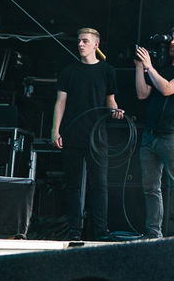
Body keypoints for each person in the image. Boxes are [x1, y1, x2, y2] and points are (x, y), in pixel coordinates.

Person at [52, 27, 124, 241]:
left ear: (95, 45)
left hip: (97, 135)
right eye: (79, 41)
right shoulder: (69, 71)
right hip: (72, 133)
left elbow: (110, 101)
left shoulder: (107, 71)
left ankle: (100, 230)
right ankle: (75, 230)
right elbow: (60, 102)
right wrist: (55, 130)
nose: (80, 44)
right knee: (73, 183)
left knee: (99, 183)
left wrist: (116, 111)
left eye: (85, 41)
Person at [133, 25, 174, 238]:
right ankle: (153, 232)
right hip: (150, 135)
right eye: (171, 38)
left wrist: (150, 68)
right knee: (150, 188)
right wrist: (139, 67)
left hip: (172, 136)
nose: (172, 42)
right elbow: (143, 94)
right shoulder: (162, 66)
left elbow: (168, 89)